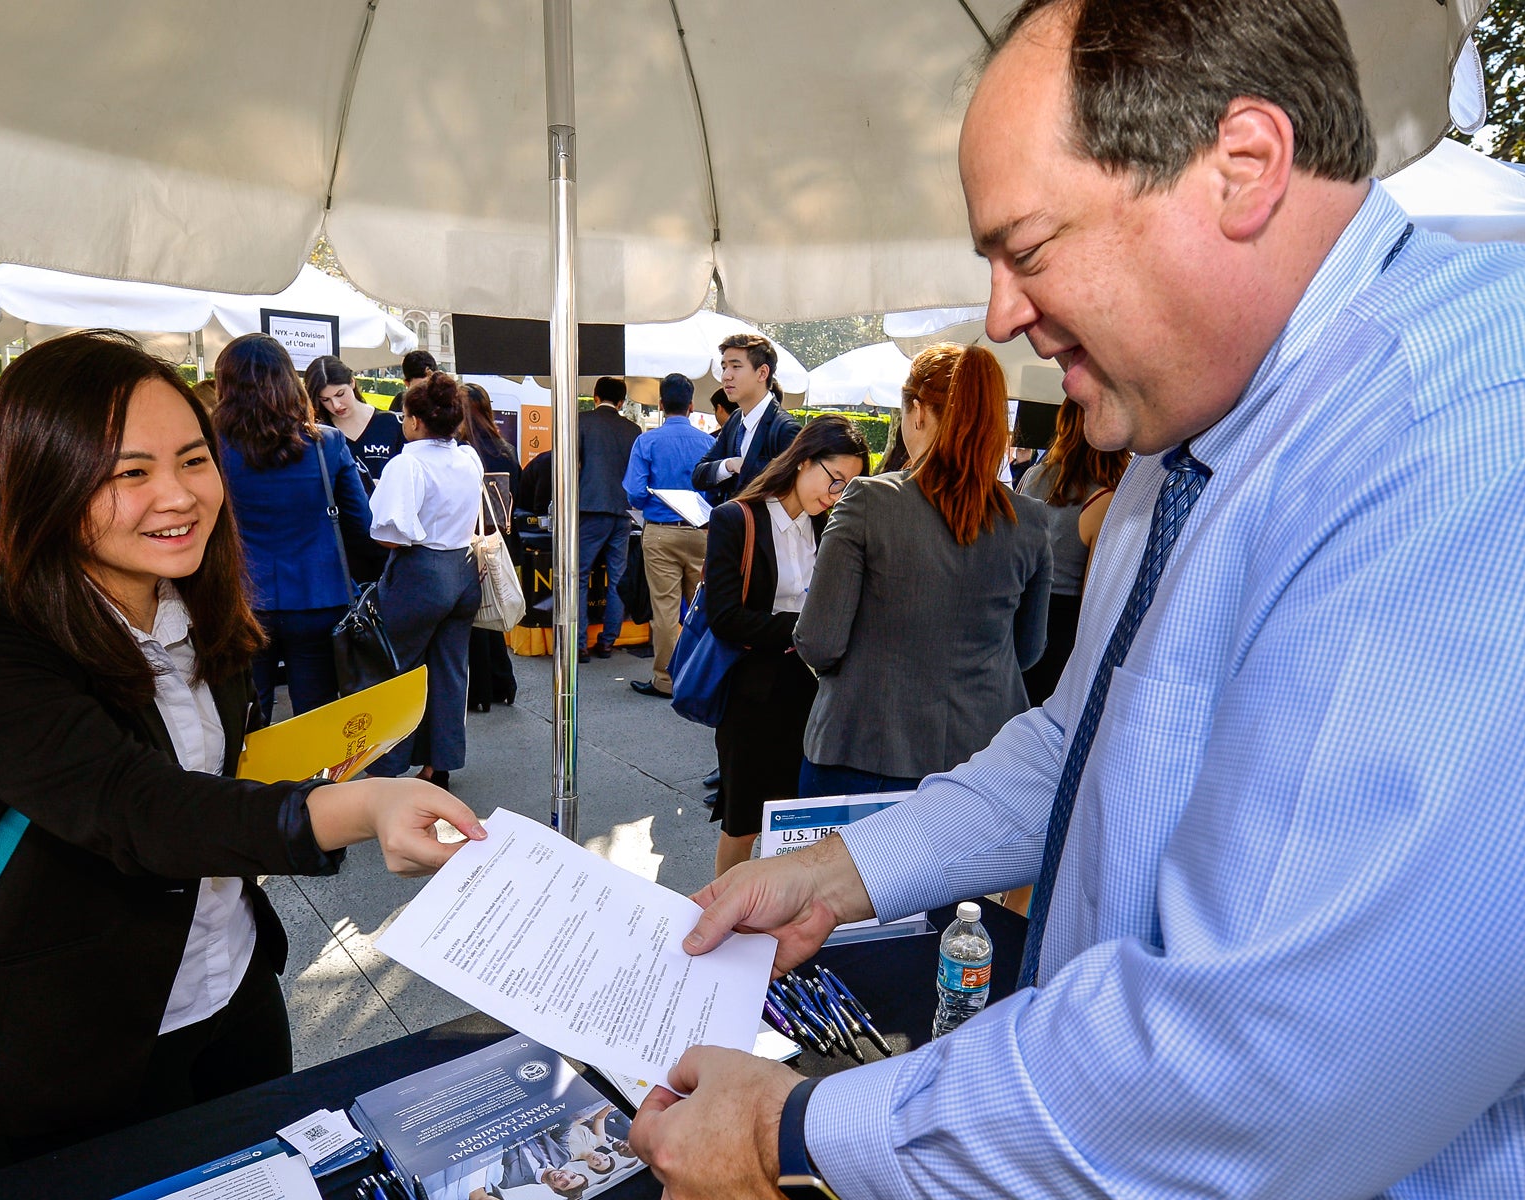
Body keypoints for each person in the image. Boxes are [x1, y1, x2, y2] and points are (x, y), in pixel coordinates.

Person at [628, 2, 1525, 1197]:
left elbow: (1260, 1067)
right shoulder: (1193, 422)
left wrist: (791, 1134)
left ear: (1243, 168)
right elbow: (1092, 739)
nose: (1001, 315)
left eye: (1029, 250)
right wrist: (842, 872)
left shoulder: (1460, 439)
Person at [0, 330, 484, 1168]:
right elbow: (137, 806)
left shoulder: (202, 606)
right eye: (129, 472)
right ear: (41, 477)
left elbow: (213, 778)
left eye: (193, 460)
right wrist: (362, 805)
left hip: (234, 991)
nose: (177, 496)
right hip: (73, 1048)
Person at [794, 344, 1053, 798]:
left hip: (863, 749)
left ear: (917, 412)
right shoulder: (1029, 519)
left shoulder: (868, 501)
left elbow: (819, 641)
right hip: (985, 762)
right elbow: (1027, 651)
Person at [705, 416, 867, 878]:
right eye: (835, 480)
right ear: (802, 461)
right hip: (752, 693)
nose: (836, 496)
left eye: (848, 489)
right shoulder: (737, 518)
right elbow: (725, 617)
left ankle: (777, 906)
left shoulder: (828, 527)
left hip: (812, 693)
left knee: (798, 819)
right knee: (743, 821)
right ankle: (724, 909)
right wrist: (805, 629)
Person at [212, 334, 378, 720]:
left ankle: (251, 781)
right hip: (319, 595)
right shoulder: (329, 444)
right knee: (315, 715)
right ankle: (313, 781)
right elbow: (362, 523)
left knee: (247, 715)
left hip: (242, 596)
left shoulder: (211, 447)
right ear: (289, 381)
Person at [365, 371, 483, 789]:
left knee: (396, 668)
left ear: (415, 420)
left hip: (422, 571)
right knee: (451, 669)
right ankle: (441, 763)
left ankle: (388, 764)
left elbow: (387, 533)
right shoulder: (469, 456)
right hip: (464, 569)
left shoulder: (407, 462)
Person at [1017, 399, 1130, 705]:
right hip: (1061, 632)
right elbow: (1094, 597)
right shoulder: (1103, 499)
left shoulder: (1032, 476)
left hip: (1017, 615)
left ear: (1063, 424)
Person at [622, 373, 714, 698]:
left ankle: (666, 680)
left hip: (661, 534)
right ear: (691, 406)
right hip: (703, 532)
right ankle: (704, 677)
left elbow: (634, 493)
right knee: (704, 606)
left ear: (661, 405)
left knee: (665, 610)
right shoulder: (710, 443)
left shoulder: (647, 442)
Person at [460, 380, 520, 711]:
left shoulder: (460, 451)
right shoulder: (504, 450)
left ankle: (480, 690)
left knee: (472, 616)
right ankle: (503, 682)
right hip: (499, 539)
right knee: (493, 610)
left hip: (467, 538)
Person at [575, 377, 640, 661]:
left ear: (595, 395)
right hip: (623, 512)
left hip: (590, 508)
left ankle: (578, 643)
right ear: (622, 402)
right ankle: (607, 641)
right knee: (617, 578)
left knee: (578, 576)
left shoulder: (581, 422)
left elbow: (573, 465)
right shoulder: (633, 430)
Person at [690, 334, 799, 504]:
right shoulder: (735, 420)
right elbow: (699, 475)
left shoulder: (785, 429)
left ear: (762, 373)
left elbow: (788, 490)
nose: (726, 376)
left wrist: (746, 466)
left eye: (736, 366)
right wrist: (729, 465)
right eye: (724, 367)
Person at [307, 354, 405, 486]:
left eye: (340, 394)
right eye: (325, 400)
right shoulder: (319, 433)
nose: (336, 405)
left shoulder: (392, 423)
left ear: (352, 382)